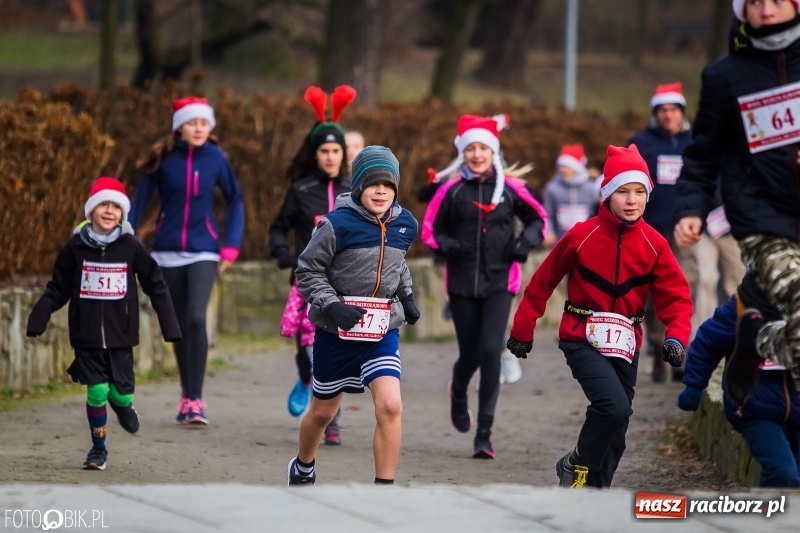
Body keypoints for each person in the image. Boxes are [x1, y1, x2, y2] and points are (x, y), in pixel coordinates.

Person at [506, 144, 692, 489]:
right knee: (613, 408)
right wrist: (523, 329)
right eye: (623, 191)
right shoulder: (581, 234)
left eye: (640, 192)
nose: (632, 200)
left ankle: (594, 496)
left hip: (626, 343)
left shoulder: (655, 244)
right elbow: (542, 281)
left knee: (617, 432)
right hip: (581, 337)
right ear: (607, 194)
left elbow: (678, 299)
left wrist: (675, 337)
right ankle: (575, 462)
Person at [673, 0, 800, 408]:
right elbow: (703, 154)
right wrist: (691, 208)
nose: (767, 10)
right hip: (762, 220)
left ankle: (757, 338)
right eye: (756, 2)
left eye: (777, 1)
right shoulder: (725, 76)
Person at [26, 177, 181, 470]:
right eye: (103, 205)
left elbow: (156, 284)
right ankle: (98, 449)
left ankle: (123, 405)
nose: (109, 211)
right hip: (86, 337)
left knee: (120, 393)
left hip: (120, 337)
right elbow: (58, 286)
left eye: (115, 206)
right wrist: (41, 313)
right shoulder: (75, 248)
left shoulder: (130, 247)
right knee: (97, 392)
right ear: (91, 210)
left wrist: (170, 324)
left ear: (122, 213)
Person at [287, 146, 419, 486]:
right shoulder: (335, 225)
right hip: (336, 332)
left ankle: (383, 490)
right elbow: (308, 271)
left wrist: (407, 295)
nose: (381, 191)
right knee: (323, 413)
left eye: (388, 186)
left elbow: (396, 263)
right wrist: (333, 306)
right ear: (358, 186)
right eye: (373, 184)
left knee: (390, 406)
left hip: (381, 331)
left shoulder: (405, 224)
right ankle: (303, 465)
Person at [422, 114, 548, 459]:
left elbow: (540, 218)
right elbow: (430, 231)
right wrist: (449, 247)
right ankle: (459, 392)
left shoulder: (510, 190)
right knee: (470, 355)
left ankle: (484, 435)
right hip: (462, 284)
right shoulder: (451, 191)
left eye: (483, 148)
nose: (477, 154)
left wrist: (524, 244)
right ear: (463, 153)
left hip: (499, 283)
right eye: (471, 148)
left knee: (491, 351)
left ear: (493, 152)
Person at [128, 96, 245, 426]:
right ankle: (186, 396)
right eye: (192, 123)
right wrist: (126, 239)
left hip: (204, 250)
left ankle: (196, 397)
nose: (198, 128)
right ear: (180, 126)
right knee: (179, 326)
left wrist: (232, 245)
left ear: (210, 126)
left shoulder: (216, 159)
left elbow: (235, 200)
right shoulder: (164, 160)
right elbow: (138, 202)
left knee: (196, 317)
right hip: (165, 252)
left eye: (204, 123)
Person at [270, 85, 356, 445]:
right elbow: (278, 229)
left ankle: (330, 421)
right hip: (306, 286)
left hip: (346, 287)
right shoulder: (301, 191)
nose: (331, 157)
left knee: (332, 349)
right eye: (325, 150)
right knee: (307, 350)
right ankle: (307, 379)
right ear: (315, 153)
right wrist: (285, 257)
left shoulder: (356, 192)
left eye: (337, 150)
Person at [678, 273, 800, 488]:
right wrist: (694, 385)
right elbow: (708, 341)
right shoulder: (744, 306)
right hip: (754, 406)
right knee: (783, 473)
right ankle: (771, 516)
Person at [628, 82, 697, 384]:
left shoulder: (695, 141)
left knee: (683, 289)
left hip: (684, 228)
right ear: (656, 113)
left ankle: (682, 349)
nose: (668, 115)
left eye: (673, 109)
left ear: (681, 111)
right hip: (650, 230)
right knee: (652, 295)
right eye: (663, 110)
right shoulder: (642, 142)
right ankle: (658, 349)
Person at [541, 144, 599, 247]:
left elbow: (598, 211)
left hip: (587, 242)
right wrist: (548, 232)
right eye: (561, 166)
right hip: (560, 242)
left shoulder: (591, 188)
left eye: (567, 166)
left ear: (576, 167)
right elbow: (547, 213)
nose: (563, 170)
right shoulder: (553, 188)